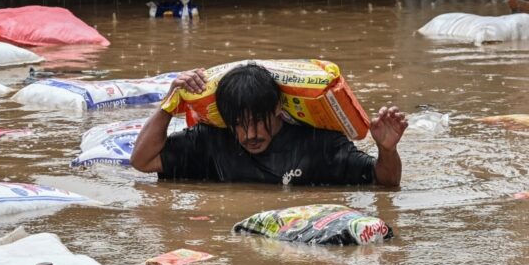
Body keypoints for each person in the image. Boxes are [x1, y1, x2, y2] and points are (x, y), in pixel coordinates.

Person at [131, 63, 408, 187]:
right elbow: (143, 161)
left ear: (278, 109)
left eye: (256, 122)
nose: (250, 134)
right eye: (239, 124)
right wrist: (170, 103)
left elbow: (385, 183)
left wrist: (386, 150)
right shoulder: (210, 141)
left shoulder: (318, 144)